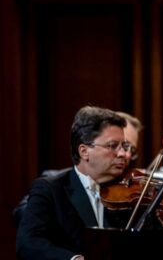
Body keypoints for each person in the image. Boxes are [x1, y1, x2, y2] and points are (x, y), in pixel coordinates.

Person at [16, 106, 132, 260]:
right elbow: (28, 243)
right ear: (84, 151)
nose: (123, 154)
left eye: (124, 146)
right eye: (112, 146)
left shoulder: (128, 196)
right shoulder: (50, 189)